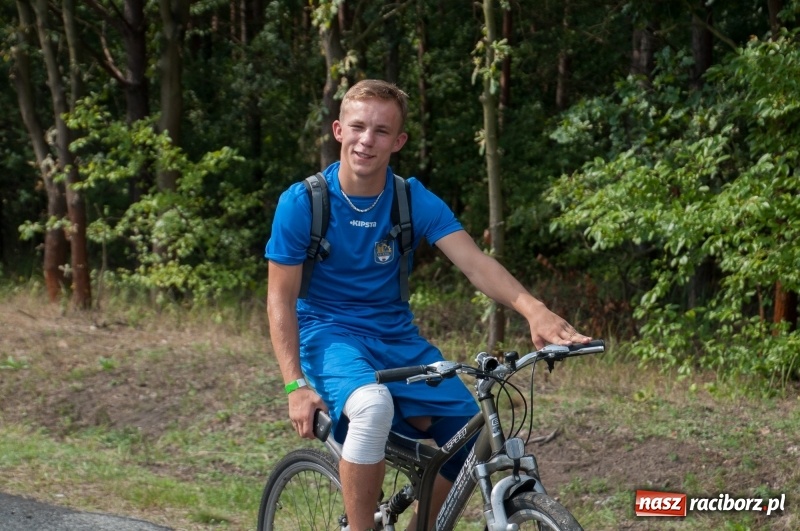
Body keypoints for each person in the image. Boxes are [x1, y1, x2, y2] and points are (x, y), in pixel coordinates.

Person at [265, 79, 590, 531]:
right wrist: (293, 385)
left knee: (472, 430)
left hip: (398, 340)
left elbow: (475, 264)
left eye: (381, 131)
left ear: (398, 141)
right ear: (338, 130)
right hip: (329, 335)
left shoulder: (411, 198)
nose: (366, 140)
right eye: (358, 127)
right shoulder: (303, 203)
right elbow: (279, 298)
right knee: (373, 406)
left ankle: (424, 525)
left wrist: (534, 310)